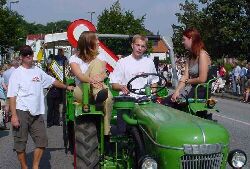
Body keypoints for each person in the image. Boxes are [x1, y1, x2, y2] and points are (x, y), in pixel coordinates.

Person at [7, 45, 74, 169]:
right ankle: (24, 166)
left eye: (30, 54)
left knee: (42, 141)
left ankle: (35, 166)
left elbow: (52, 81)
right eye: (26, 54)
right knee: (20, 144)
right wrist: (14, 116)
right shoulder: (17, 73)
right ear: (21, 57)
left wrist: (66, 87)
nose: (29, 56)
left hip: (37, 113)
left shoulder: (38, 70)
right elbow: (12, 96)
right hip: (22, 111)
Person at [109, 34, 159, 135]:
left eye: (143, 46)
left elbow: (154, 81)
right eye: (137, 45)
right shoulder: (123, 62)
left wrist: (152, 95)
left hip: (144, 103)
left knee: (150, 132)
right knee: (122, 132)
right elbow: (114, 84)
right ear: (132, 45)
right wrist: (122, 87)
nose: (139, 48)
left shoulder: (149, 62)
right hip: (126, 102)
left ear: (145, 48)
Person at [69, 31, 112, 136]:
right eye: (96, 40)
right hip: (82, 88)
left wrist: (98, 79)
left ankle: (106, 131)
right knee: (102, 90)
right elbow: (80, 76)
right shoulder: (74, 58)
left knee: (109, 97)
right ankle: (98, 94)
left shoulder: (101, 56)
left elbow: (104, 75)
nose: (98, 42)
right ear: (88, 43)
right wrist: (93, 81)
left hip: (98, 84)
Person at [165, 28, 212, 108]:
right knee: (166, 100)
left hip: (200, 91)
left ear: (191, 39)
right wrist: (176, 92)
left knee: (170, 104)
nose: (182, 42)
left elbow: (202, 79)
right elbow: (185, 76)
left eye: (184, 40)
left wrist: (187, 81)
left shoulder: (202, 55)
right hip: (192, 90)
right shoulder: (189, 57)